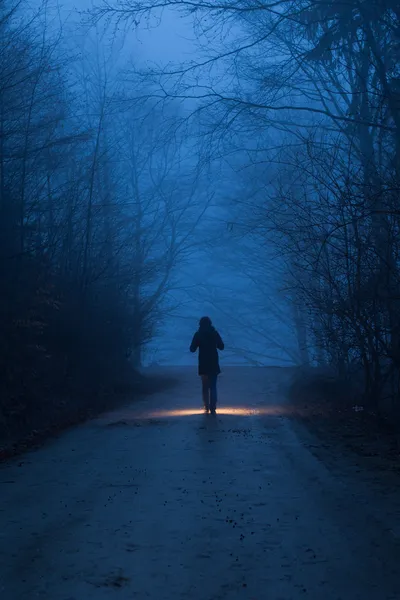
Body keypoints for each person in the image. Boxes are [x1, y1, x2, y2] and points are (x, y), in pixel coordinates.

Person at [190, 316, 224, 414]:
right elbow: (221, 347)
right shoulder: (214, 333)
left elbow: (192, 349)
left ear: (200, 324)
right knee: (213, 386)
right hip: (213, 363)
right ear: (210, 323)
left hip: (203, 364)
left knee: (205, 386)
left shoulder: (198, 334)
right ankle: (213, 407)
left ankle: (206, 406)